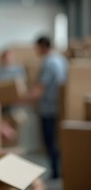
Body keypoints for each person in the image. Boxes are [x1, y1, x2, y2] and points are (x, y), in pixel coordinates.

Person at [18, 36, 67, 179]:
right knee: (56, 141)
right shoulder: (61, 60)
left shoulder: (48, 63)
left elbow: (40, 89)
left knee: (50, 141)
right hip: (59, 106)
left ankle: (56, 172)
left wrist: (21, 99)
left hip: (48, 108)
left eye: (36, 47)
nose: (35, 50)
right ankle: (59, 171)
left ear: (42, 46)